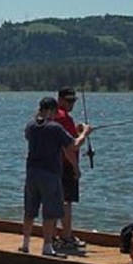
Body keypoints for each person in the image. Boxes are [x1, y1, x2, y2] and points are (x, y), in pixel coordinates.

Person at [20, 96, 91, 257]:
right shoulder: (55, 128)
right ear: (52, 111)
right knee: (50, 212)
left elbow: (34, 131)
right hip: (50, 174)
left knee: (30, 210)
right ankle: (47, 247)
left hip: (31, 173)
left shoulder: (30, 126)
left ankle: (25, 244)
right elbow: (73, 145)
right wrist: (84, 133)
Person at [54, 87, 87, 253]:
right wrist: (85, 133)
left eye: (73, 100)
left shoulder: (52, 116)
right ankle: (66, 237)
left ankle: (53, 236)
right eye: (68, 100)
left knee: (54, 200)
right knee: (66, 202)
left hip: (53, 164)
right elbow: (72, 146)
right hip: (66, 165)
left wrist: (78, 132)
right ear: (59, 99)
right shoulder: (63, 117)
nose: (71, 103)